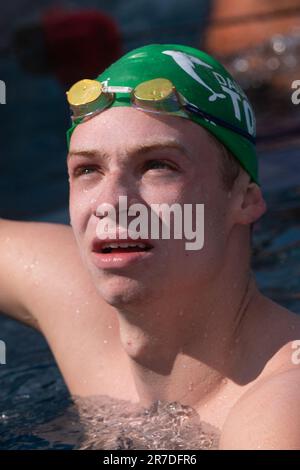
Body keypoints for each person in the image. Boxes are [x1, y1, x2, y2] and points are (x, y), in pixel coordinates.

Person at [1, 44, 300, 450]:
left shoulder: (280, 410)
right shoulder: (76, 307)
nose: (110, 203)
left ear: (244, 199)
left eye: (158, 166)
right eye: (88, 169)